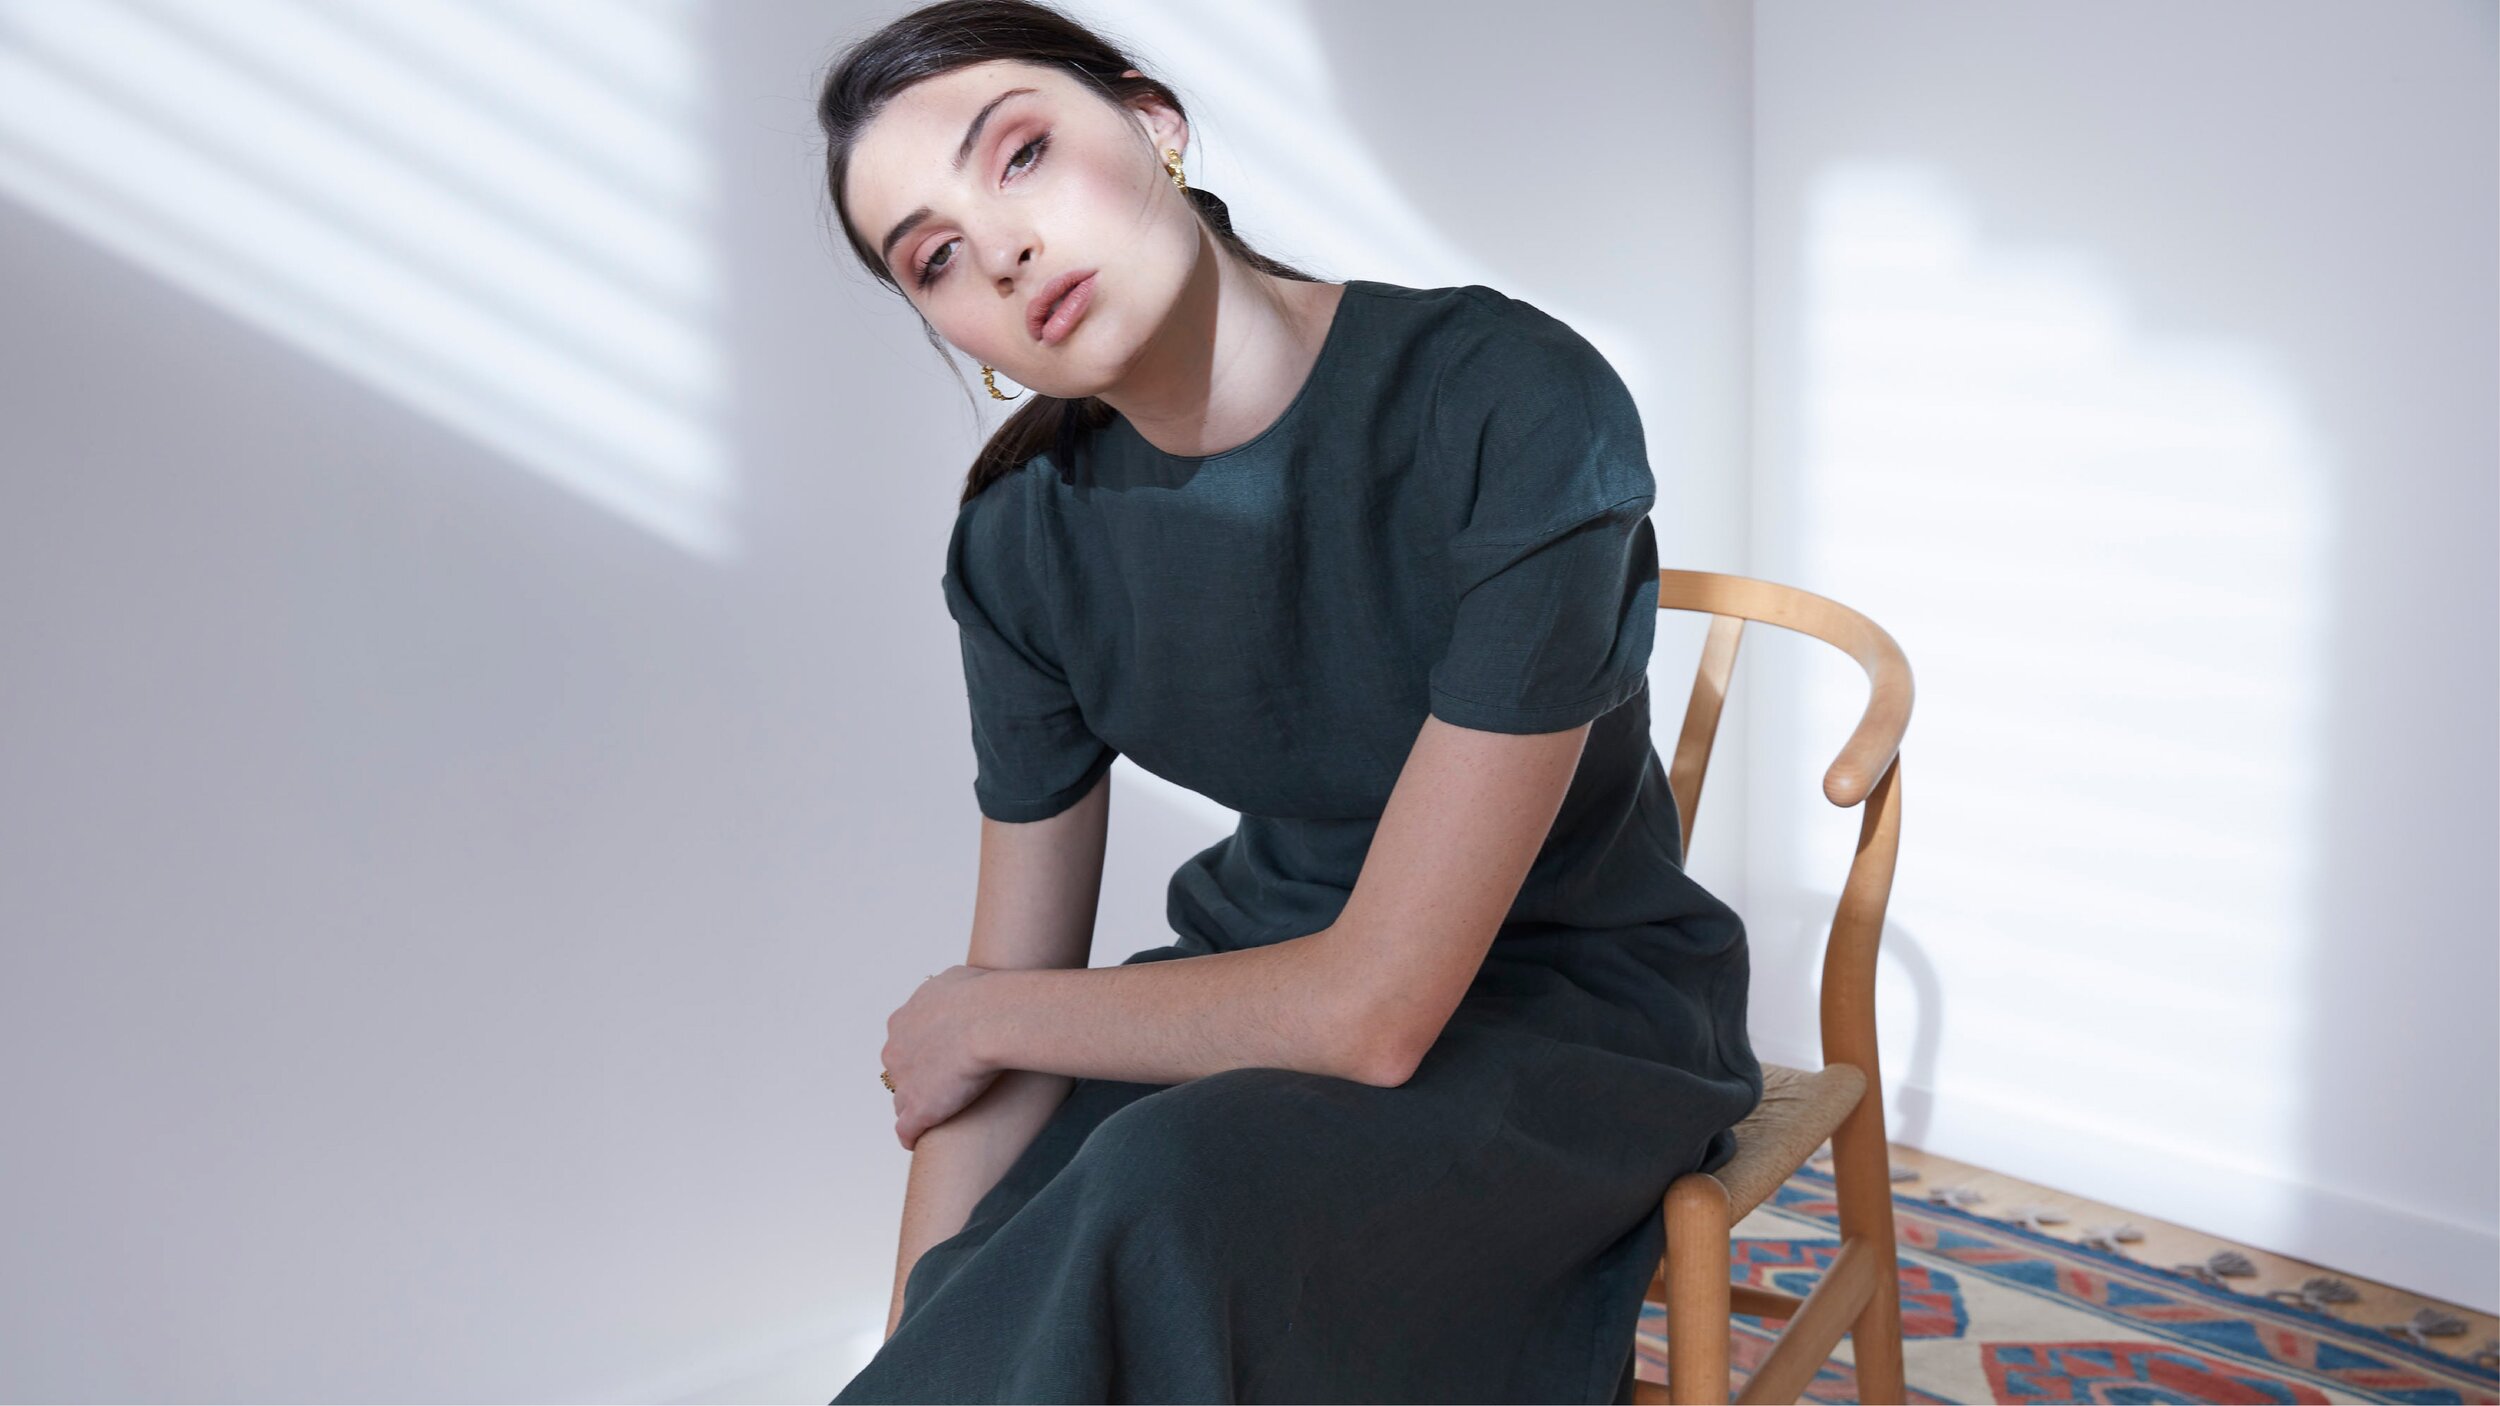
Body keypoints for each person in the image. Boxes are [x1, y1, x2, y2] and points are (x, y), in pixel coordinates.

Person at [819, 2, 1765, 1400]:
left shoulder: (1507, 402)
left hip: (1566, 1009)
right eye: (936, 258)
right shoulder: (1021, 542)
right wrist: (920, 1335)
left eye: (1019, 154)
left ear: (1152, 121)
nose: (1001, 250)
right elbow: (991, 1035)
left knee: (1160, 1198)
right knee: (1022, 1256)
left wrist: (984, 1015)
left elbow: (1374, 1010)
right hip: (1242, 988)